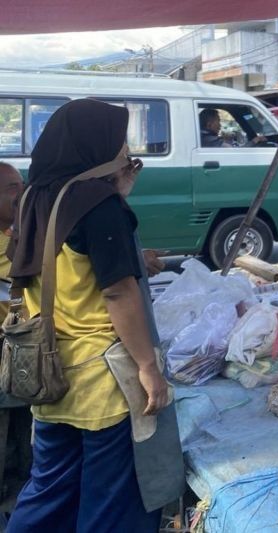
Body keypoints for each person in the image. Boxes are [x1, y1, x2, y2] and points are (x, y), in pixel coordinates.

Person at [7, 99, 183, 532]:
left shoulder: (34, 197)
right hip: (101, 383)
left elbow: (62, 263)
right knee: (111, 503)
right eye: (120, 142)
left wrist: (117, 191)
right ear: (96, 144)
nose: (126, 151)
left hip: (48, 374)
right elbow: (118, 291)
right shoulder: (98, 204)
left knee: (49, 491)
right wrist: (148, 368)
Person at [200, 108, 266, 147]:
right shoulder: (212, 141)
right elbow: (237, 153)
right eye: (218, 121)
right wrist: (254, 141)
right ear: (209, 125)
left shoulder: (202, 137)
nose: (220, 125)